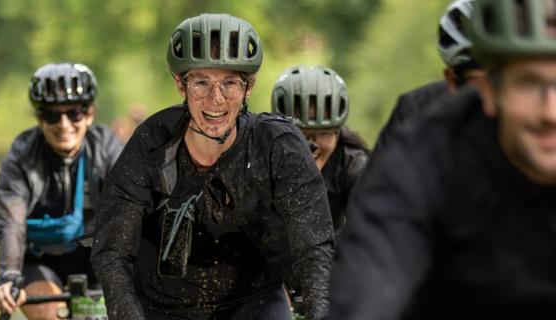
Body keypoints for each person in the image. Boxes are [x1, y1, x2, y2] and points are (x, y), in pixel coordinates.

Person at [91, 13, 334, 320]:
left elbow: (313, 249)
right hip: (162, 306)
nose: (215, 99)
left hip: (254, 302)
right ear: (181, 84)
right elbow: (112, 250)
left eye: (229, 83)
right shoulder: (152, 142)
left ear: (248, 88)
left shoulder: (278, 145)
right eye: (201, 82)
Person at [329, 0, 556, 319]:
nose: (550, 112)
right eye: (529, 83)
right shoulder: (423, 157)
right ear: (490, 90)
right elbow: (369, 284)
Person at [0, 62, 123, 319]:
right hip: (39, 260)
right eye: (51, 115)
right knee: (48, 314)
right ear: (39, 118)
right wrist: (9, 275)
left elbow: (135, 204)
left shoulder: (108, 148)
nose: (64, 124)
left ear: (90, 114)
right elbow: (11, 221)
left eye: (74, 113)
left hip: (97, 258)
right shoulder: (21, 157)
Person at [374, 0, 487, 151]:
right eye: (480, 85)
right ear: (452, 80)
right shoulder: (414, 111)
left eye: (523, 81)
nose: (495, 100)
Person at [271, 65, 369, 235]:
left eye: (323, 133)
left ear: (338, 134)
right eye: (300, 133)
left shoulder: (354, 166)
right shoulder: (257, 158)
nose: (311, 145)